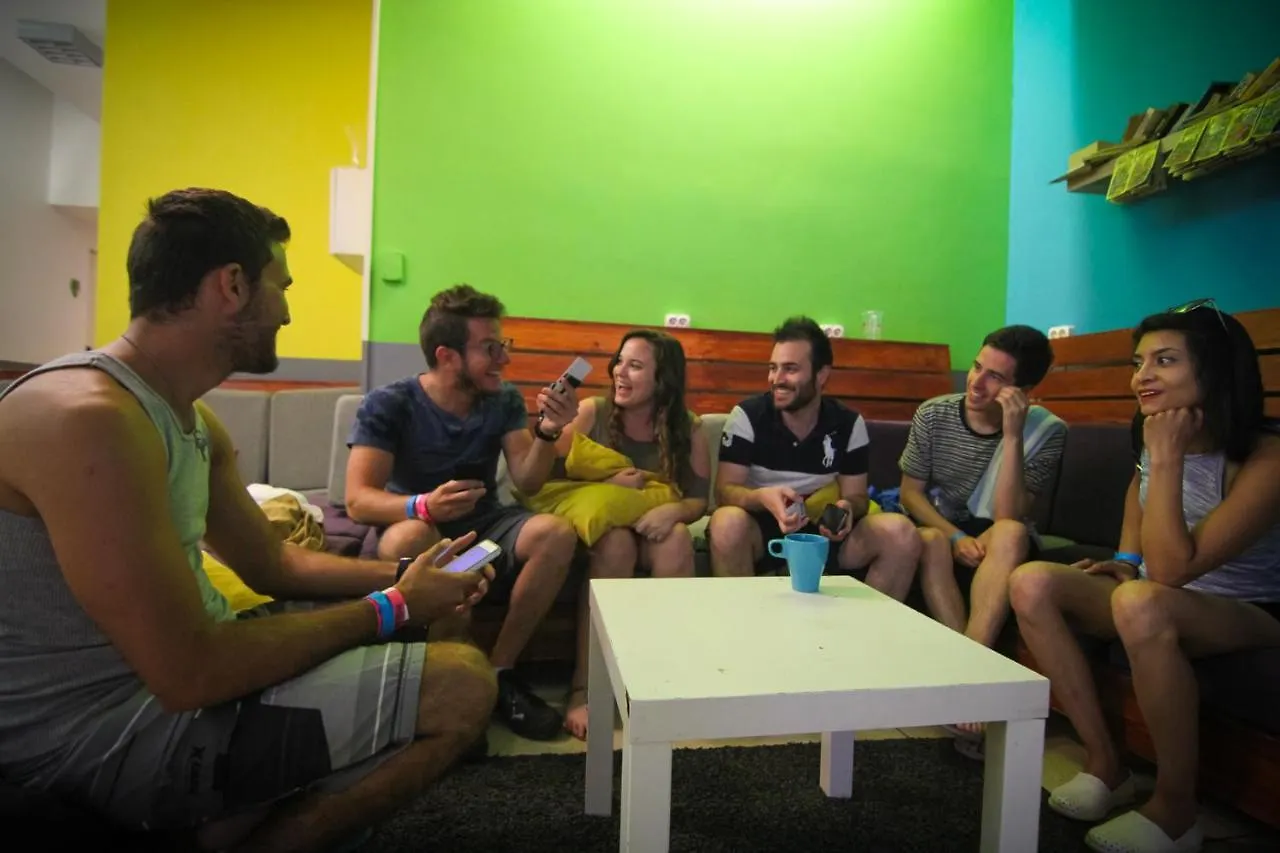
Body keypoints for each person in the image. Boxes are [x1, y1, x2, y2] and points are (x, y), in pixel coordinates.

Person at [0, 188, 499, 853]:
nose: (287, 311)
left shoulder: (187, 416)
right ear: (232, 285)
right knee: (461, 686)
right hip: (100, 731)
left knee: (417, 653)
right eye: (281, 286)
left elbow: (274, 562)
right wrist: (394, 605)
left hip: (172, 688)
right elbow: (189, 670)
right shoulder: (87, 419)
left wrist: (410, 574)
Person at [1009, 301, 1280, 853]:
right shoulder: (1153, 435)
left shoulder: (1267, 458)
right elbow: (1141, 502)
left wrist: (1168, 457)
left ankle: (1177, 811)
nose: (1142, 377)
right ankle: (1107, 763)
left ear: (1215, 369)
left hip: (1249, 611)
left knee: (1141, 602)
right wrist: (1126, 561)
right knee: (1032, 581)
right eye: (1139, 363)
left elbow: (1176, 571)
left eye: (1165, 360)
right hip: (1160, 593)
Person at [344, 284, 580, 742]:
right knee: (411, 538)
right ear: (447, 356)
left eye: (502, 345)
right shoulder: (390, 403)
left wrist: (549, 430)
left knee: (556, 532)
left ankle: (499, 673)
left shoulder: (502, 400)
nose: (503, 359)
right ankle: (450, 678)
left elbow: (528, 481)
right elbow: (358, 499)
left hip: (482, 535)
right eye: (490, 348)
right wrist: (423, 505)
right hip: (418, 529)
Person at [551, 329, 711, 739]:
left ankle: (666, 683)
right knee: (616, 544)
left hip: (650, 527)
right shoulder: (592, 412)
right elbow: (547, 479)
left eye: (635, 365)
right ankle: (586, 687)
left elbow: (698, 499)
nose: (620, 372)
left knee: (677, 538)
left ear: (663, 380)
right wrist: (607, 486)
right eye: (619, 362)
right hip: (603, 532)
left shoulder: (688, 428)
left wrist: (673, 510)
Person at [707, 316, 921, 595]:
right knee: (726, 523)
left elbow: (857, 497)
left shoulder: (848, 424)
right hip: (762, 527)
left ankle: (866, 623)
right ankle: (743, 619)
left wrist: (847, 508)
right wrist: (761, 497)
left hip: (823, 532)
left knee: (901, 533)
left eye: (790, 369)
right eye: (773, 368)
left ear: (821, 375)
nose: (777, 379)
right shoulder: (747, 416)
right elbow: (724, 492)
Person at [898, 325, 1065, 656]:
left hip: (996, 536)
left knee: (1012, 533)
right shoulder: (933, 414)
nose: (976, 382)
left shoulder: (1046, 431)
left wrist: (1013, 435)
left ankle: (973, 656)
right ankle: (969, 657)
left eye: (995, 377)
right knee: (930, 540)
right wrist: (956, 537)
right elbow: (910, 494)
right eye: (977, 367)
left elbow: (1007, 515)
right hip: (943, 527)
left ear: (1022, 391)